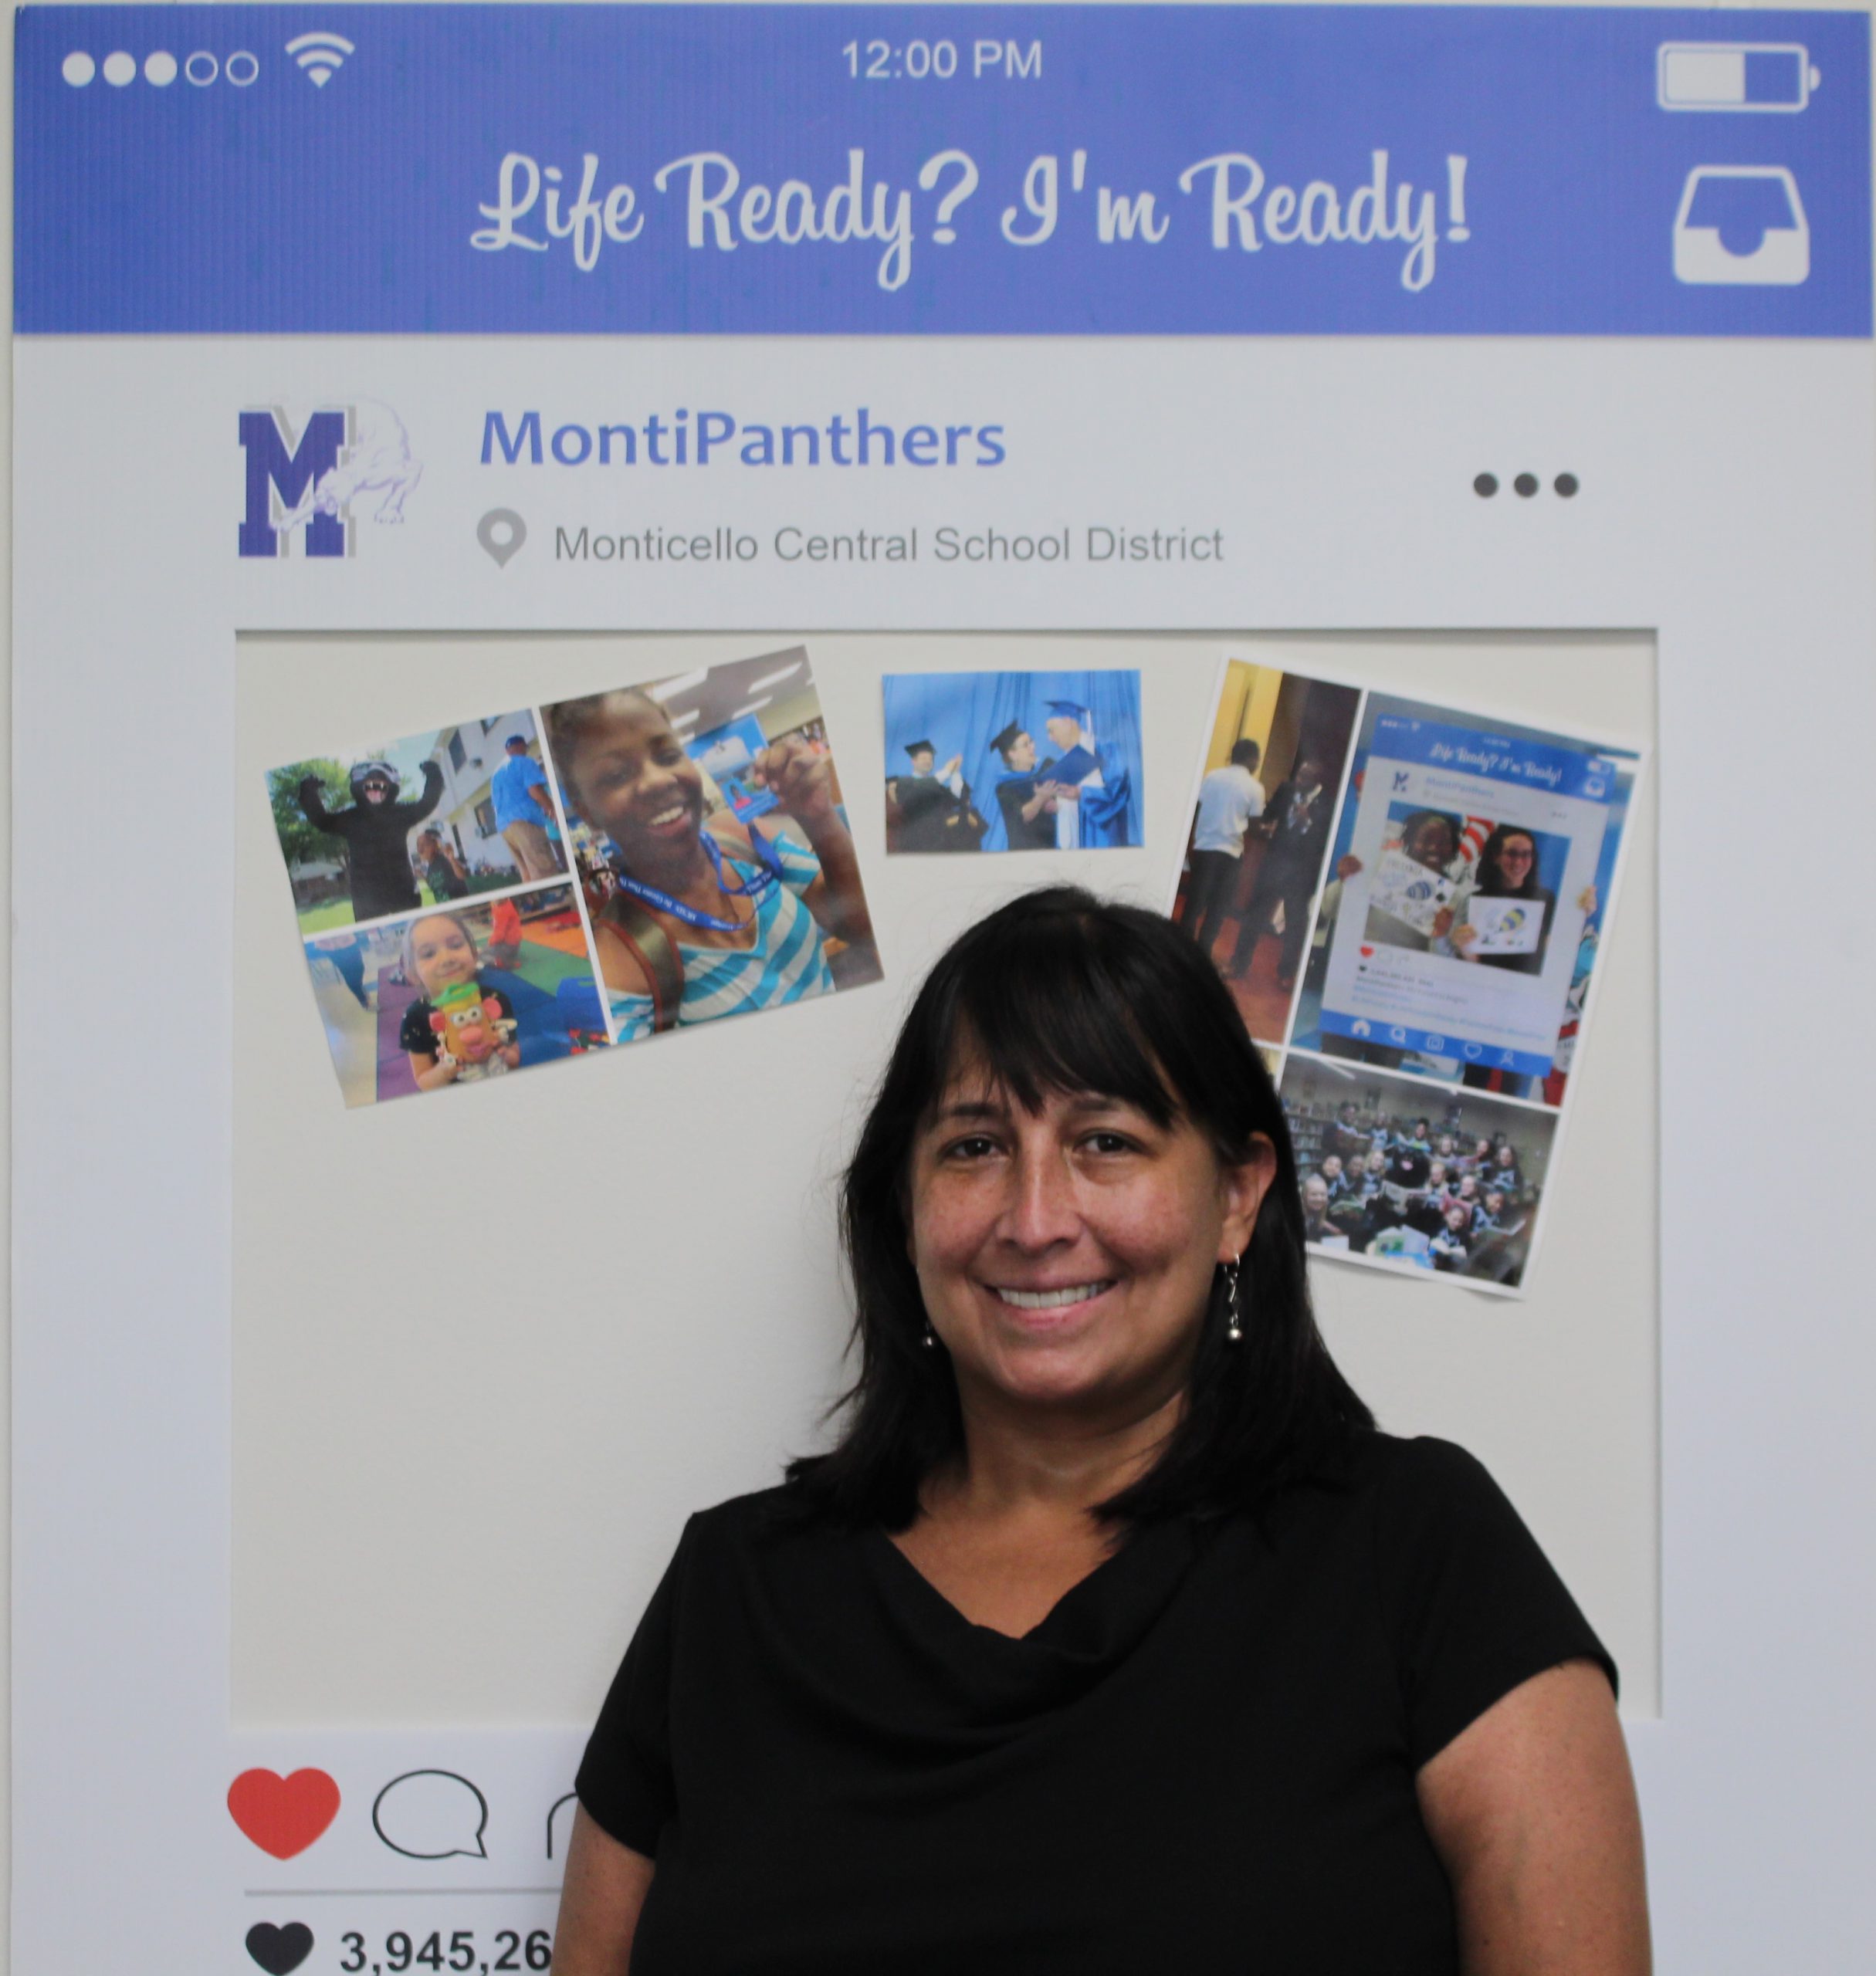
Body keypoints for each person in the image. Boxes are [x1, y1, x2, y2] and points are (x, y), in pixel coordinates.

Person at [554, 889, 1648, 1975]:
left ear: (1235, 1196)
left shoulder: (1418, 1552)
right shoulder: (731, 1592)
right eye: (975, 1145)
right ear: (904, 1206)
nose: (1034, 1220)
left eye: (1106, 1141)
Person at [544, 688, 875, 1040]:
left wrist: (820, 819)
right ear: (586, 812)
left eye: (668, 755)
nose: (657, 780)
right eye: (616, 776)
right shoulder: (620, 961)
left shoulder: (745, 839)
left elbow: (861, 927)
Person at [1228, 753, 1334, 987]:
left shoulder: (1327, 803)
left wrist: (1309, 822)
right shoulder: (1286, 790)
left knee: (1296, 925)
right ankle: (1238, 963)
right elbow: (1269, 815)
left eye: (1306, 777)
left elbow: (1325, 841)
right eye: (1300, 774)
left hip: (1301, 872)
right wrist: (1259, 820)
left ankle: (1286, 974)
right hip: (1274, 863)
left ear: (1317, 781)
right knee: (1254, 915)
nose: (1300, 779)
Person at [298, 757, 442, 922]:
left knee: (413, 934)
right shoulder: (352, 818)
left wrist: (433, 774)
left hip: (402, 891)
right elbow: (322, 821)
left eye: (380, 785)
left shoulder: (399, 813)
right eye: (370, 785)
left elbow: (427, 804)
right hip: (367, 898)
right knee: (374, 941)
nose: (375, 790)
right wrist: (308, 792)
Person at [398, 912, 520, 1091]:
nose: (447, 959)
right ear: (413, 975)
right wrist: (444, 1071)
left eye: (455, 945)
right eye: (429, 954)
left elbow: (515, 1059)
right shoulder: (415, 1017)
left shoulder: (495, 1000)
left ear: (474, 954)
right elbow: (424, 1081)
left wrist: (505, 1054)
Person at [1183, 738, 1265, 958]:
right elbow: (1256, 828)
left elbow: (1196, 810)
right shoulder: (1255, 788)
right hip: (1230, 852)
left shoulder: (1211, 776)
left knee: (1194, 902)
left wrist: (1191, 844)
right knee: (1218, 908)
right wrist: (1266, 829)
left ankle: (1181, 948)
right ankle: (1203, 952)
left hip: (1204, 847)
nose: (1257, 763)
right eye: (1257, 759)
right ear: (1251, 759)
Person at [1035, 699, 1136, 849]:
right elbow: (1072, 808)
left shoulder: (1106, 750)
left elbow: (1119, 792)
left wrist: (1082, 794)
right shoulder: (1064, 761)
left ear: (1068, 722)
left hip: (1102, 840)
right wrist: (1058, 807)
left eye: (1052, 730)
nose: (1050, 737)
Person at [492, 733, 564, 881]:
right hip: (525, 822)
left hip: (505, 828)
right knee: (544, 872)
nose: (526, 751)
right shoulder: (525, 762)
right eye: (526, 747)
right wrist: (553, 810)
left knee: (528, 875)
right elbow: (535, 791)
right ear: (521, 746)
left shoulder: (497, 773)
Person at [892, 739, 979, 853]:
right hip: (913, 845)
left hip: (938, 844)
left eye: (930, 759)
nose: (928, 761)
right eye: (924, 758)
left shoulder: (937, 787)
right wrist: (947, 771)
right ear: (913, 761)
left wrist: (955, 772)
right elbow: (925, 786)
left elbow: (956, 796)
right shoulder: (904, 784)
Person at [987, 721, 1059, 851]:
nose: (1032, 747)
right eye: (1026, 745)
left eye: (1031, 742)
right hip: (1025, 853)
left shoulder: (1047, 767)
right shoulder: (1005, 787)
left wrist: (1059, 806)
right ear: (1012, 754)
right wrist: (1040, 798)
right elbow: (1023, 816)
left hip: (1053, 846)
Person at [414, 827, 469, 902]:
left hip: (460, 909)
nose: (420, 850)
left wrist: (452, 859)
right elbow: (434, 885)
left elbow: (462, 876)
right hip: (446, 911)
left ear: (435, 845)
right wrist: (422, 877)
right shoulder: (430, 866)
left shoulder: (445, 860)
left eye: (425, 845)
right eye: (418, 845)